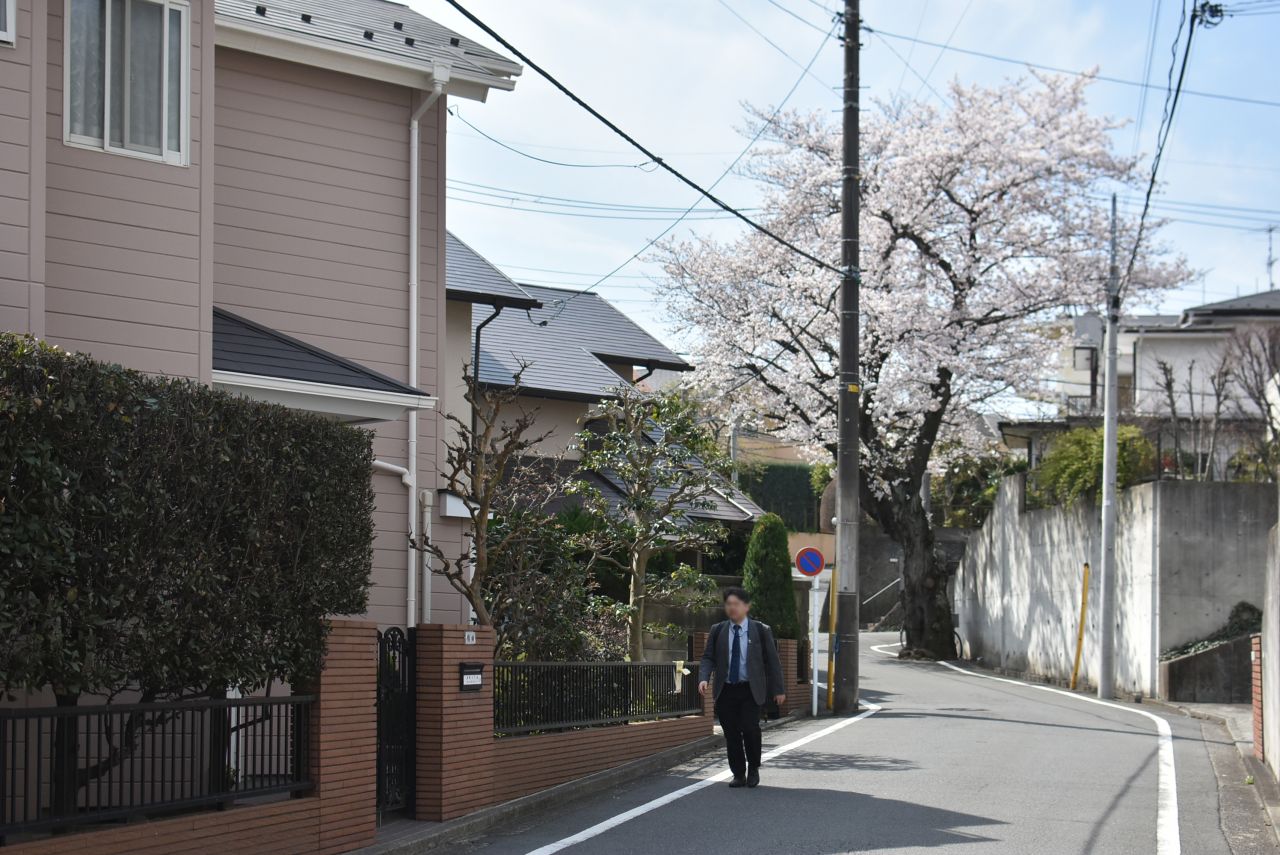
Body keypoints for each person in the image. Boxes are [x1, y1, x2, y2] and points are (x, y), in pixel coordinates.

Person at [698, 586, 785, 788]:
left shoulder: (761, 630)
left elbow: (773, 662)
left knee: (750, 728)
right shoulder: (718, 630)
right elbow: (708, 657)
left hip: (750, 689)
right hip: (726, 689)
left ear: (746, 606)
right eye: (728, 604)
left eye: (736, 604)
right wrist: (704, 677)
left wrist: (778, 689)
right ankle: (738, 773)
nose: (732, 608)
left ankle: (753, 767)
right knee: (731, 732)